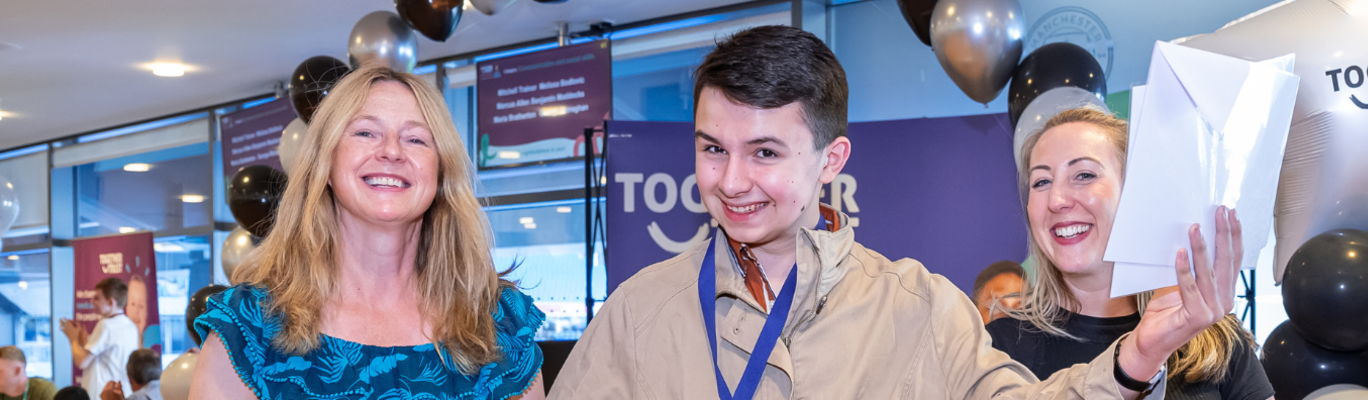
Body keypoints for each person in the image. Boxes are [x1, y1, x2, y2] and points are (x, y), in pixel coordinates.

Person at [548, 25, 1243, 399]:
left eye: (764, 153)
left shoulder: (919, 308)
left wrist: (1144, 350)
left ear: (832, 160)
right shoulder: (638, 314)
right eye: (711, 149)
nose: (731, 182)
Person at [188, 65, 547, 399]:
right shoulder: (248, 331)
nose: (391, 151)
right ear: (325, 164)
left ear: (441, 173)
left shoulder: (500, 324)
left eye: (416, 139)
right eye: (365, 132)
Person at [986, 107, 1274, 400]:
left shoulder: (1209, 331)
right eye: (1041, 182)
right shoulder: (998, 349)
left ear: (1135, 194)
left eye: (1084, 175)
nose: (1057, 200)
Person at [59, 278, 137, 398]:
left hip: (102, 393)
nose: (92, 302)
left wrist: (72, 338)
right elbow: (100, 356)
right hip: (120, 393)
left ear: (111, 302)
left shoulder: (107, 325)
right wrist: (82, 341)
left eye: (97, 298)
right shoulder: (130, 326)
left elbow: (82, 361)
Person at [124, 275, 158, 350]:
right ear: (126, 308)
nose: (137, 311)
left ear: (146, 313)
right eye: (133, 304)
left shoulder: (153, 349)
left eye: (141, 306)